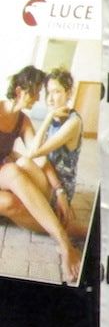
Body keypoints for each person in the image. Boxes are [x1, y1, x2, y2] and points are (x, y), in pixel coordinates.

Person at [0, 66, 82, 284]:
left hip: (2, 175)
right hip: (2, 173)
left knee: (11, 201)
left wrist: (59, 190)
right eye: (35, 92)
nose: (38, 98)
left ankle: (63, 238)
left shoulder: (23, 121)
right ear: (19, 91)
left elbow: (40, 158)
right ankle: (67, 238)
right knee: (11, 171)